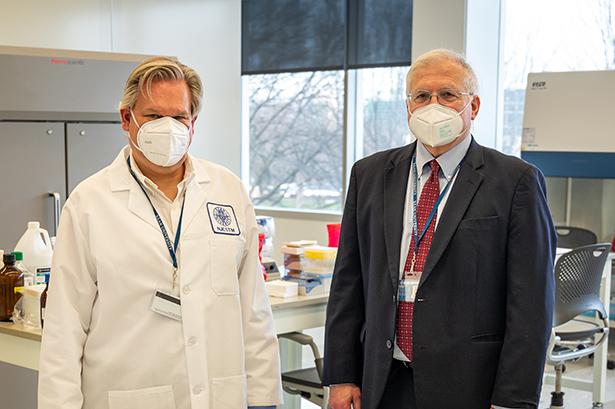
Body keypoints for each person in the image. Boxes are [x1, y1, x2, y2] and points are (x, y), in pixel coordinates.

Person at [38, 56, 282, 409]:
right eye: (153, 116)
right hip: (128, 395)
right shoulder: (90, 202)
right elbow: (64, 326)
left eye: (179, 117)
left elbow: (254, 309)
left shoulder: (227, 190)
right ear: (127, 119)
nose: (168, 127)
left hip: (220, 396)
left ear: (193, 123)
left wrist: (263, 399)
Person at [323, 49, 556, 409]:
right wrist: (342, 374)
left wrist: (514, 399)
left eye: (448, 94)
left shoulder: (515, 182)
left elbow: (531, 305)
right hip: (382, 379)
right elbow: (348, 283)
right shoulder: (369, 174)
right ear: (408, 106)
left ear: (473, 106)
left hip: (469, 384)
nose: (434, 105)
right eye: (421, 96)